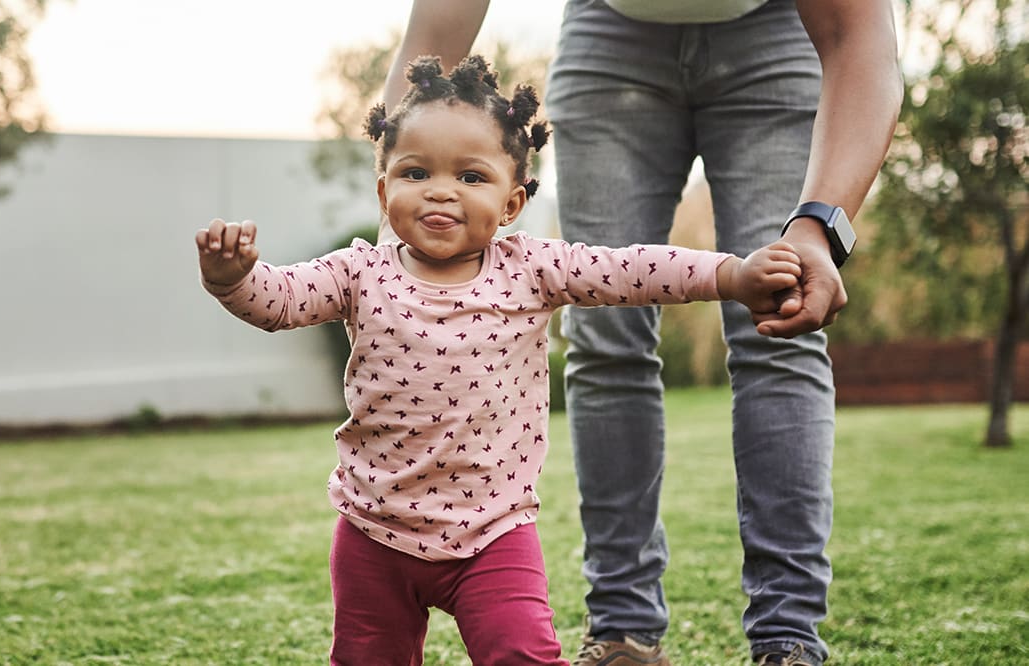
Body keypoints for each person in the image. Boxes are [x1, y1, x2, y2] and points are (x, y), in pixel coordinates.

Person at [197, 55, 805, 666]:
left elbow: (635, 269)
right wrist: (235, 280)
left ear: (512, 203)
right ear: (384, 192)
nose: (440, 189)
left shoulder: (532, 269)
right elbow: (281, 302)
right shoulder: (359, 271)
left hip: (493, 535)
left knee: (521, 655)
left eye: (470, 177)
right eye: (415, 172)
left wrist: (732, 274)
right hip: (372, 532)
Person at [379, 2, 902, 665]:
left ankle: (787, 638)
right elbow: (434, 37)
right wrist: (386, 259)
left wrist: (820, 226)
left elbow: (860, 35)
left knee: (781, 317)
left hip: (777, 31)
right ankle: (623, 630)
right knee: (605, 334)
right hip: (610, 36)